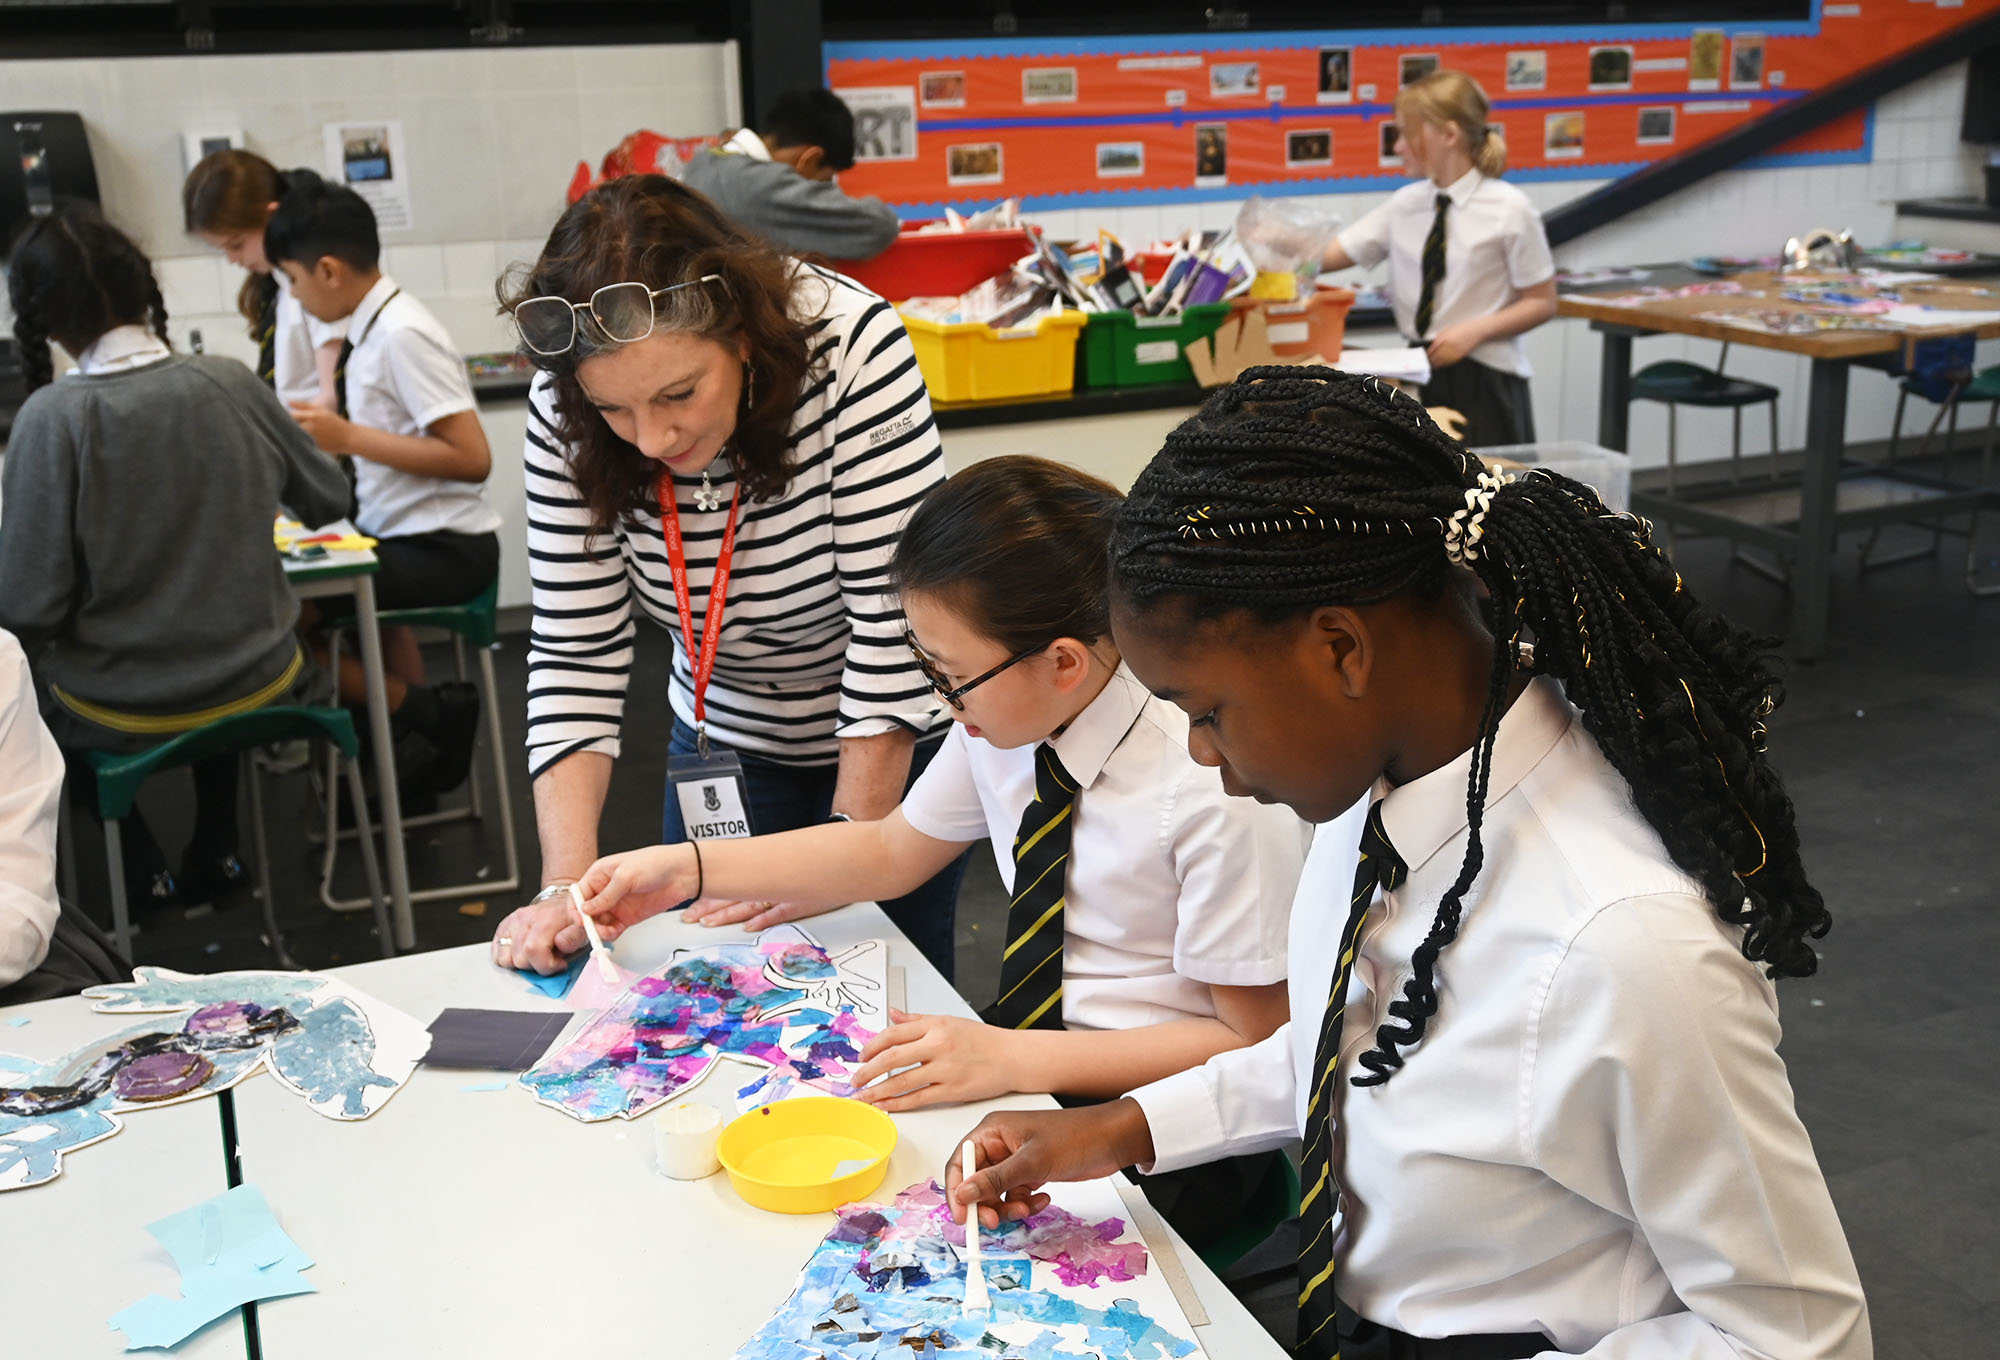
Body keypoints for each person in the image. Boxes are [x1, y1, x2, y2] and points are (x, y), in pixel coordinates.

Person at [945, 369, 1871, 1359]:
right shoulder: (1374, 783)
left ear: (1340, 649)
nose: (1201, 759)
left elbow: (1797, 1336)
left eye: (1206, 713)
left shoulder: (1623, 950)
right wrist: (1122, 1128)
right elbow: (1353, 1053)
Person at [495, 456, 1306, 1244]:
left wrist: (1005, 1055)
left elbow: (1255, 1042)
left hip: (1160, 1125)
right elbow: (889, 851)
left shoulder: (1210, 784)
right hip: (1030, 1072)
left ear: (1062, 662)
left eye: (949, 675)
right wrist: (683, 870)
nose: (938, 698)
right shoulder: (1010, 718)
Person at [497, 174, 962, 978]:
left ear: (743, 337)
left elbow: (893, 635)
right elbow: (576, 652)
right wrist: (562, 888)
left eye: (679, 393)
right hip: (727, 733)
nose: (650, 438)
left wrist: (846, 862)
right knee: (716, 990)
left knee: (876, 986)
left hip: (894, 743)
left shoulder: (850, 346)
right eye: (616, 409)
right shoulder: (563, 399)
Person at [0, 205, 352, 913]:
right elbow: (329, 495)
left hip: (122, 706)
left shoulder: (51, 419)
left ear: (44, 321)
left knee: (26, 683)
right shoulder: (228, 381)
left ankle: (138, 864)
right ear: (144, 290)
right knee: (206, 638)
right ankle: (219, 844)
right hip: (263, 677)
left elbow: (28, 608)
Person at [264, 174, 497, 798]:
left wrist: (347, 437)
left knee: (284, 624)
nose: (294, 296)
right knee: (295, 612)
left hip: (445, 547)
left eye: (292, 280)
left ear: (330, 270)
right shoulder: (370, 329)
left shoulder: (402, 333)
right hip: (402, 534)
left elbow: (472, 458)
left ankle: (429, 718)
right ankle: (413, 734)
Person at [1322, 70, 1556, 447]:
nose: (1397, 146)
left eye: (1404, 133)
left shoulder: (1509, 208)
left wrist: (1474, 331)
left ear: (1448, 135)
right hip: (1420, 373)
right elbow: (1329, 255)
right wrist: (1260, 246)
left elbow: (1542, 302)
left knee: (1492, 494)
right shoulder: (1405, 204)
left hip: (1486, 380)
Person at [182, 149, 346, 408]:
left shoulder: (316, 282)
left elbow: (332, 398)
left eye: (236, 244)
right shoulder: (278, 282)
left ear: (271, 216)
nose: (232, 259)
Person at [679, 88, 899, 261]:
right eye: (822, 181)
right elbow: (879, 226)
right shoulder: (761, 186)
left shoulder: (703, 160)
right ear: (809, 158)